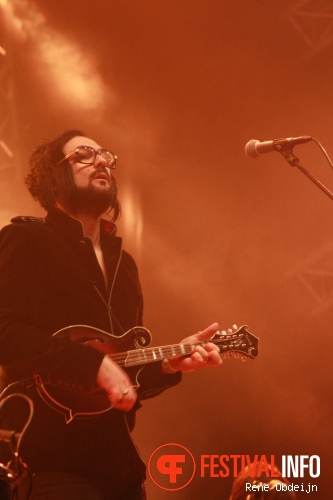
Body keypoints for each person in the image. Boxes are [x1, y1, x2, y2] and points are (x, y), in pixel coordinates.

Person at [0, 130, 222, 499]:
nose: (102, 161)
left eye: (105, 156)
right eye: (84, 155)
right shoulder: (25, 241)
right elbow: (4, 332)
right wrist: (89, 365)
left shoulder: (126, 266)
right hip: (47, 462)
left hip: (118, 469)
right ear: (53, 177)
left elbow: (120, 373)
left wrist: (169, 365)